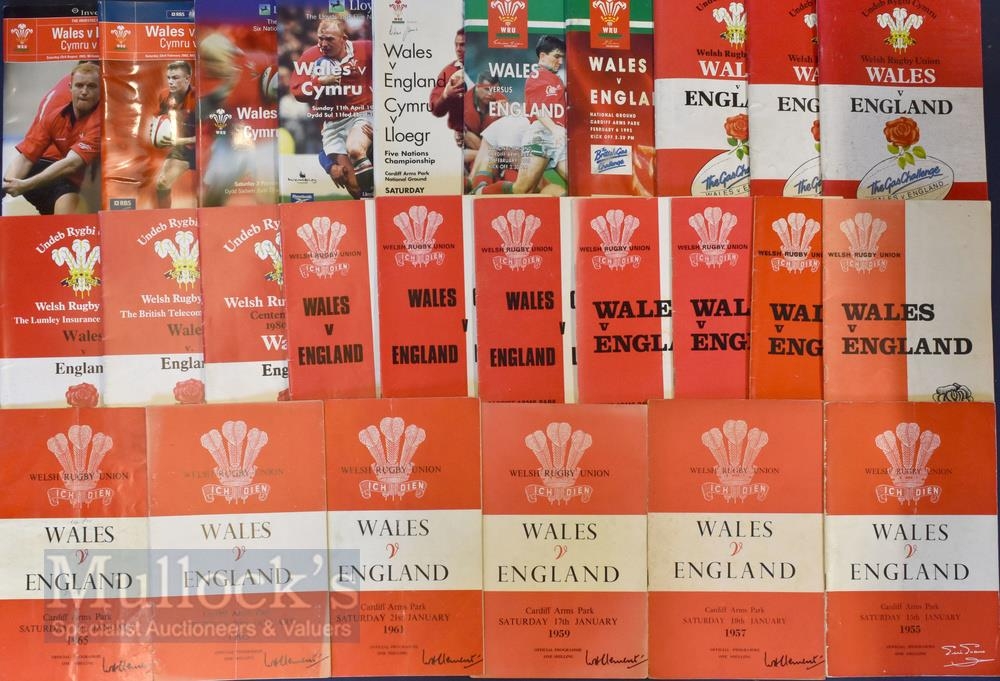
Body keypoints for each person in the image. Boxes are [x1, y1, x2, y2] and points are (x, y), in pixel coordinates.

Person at [290, 14, 374, 198]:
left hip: (362, 114)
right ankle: (367, 202)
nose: (323, 44)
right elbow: (297, 91)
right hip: (333, 124)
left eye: (329, 39)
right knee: (353, 186)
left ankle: (380, 205)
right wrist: (320, 82)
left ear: (344, 39)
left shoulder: (365, 49)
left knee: (356, 149)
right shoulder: (310, 56)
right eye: (320, 38)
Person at [2, 62, 101, 215]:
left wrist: (25, 185)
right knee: (66, 202)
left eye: (91, 86)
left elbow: (72, 163)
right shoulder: (55, 116)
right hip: (61, 172)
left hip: (86, 176)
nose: (84, 91)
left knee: (70, 203)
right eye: (79, 86)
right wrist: (6, 187)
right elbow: (26, 157)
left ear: (101, 90)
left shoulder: (101, 120)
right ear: (70, 87)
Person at [198, 32, 279, 205]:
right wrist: (225, 90)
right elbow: (201, 111)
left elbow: (281, 71)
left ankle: (268, 221)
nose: (208, 67)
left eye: (213, 61)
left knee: (268, 194)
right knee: (213, 199)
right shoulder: (206, 82)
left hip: (264, 141)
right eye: (206, 62)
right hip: (230, 143)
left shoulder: (258, 62)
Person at [511, 35, 567, 195]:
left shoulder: (556, 79)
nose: (560, 61)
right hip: (541, 134)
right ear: (542, 56)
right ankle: (485, 191)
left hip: (559, 137)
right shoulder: (537, 75)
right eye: (556, 56)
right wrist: (554, 129)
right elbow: (538, 109)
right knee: (523, 190)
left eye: (562, 57)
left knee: (579, 184)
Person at [154, 61, 197, 208]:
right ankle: (165, 217)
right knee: (162, 183)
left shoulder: (199, 98)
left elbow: (209, 134)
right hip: (183, 149)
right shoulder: (164, 95)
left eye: (175, 78)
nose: (171, 82)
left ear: (187, 78)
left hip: (204, 148)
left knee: (207, 192)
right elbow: (158, 119)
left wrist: (179, 140)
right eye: (169, 78)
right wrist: (155, 134)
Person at [429, 28, 467, 148]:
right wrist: (446, 95)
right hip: (463, 137)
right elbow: (435, 109)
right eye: (456, 45)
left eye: (463, 45)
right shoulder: (448, 71)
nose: (458, 49)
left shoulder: (486, 69)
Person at [463, 72, 506, 167]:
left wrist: (508, 116)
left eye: (494, 90)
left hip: (492, 150)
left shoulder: (502, 102)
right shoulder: (463, 101)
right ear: (477, 87)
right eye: (486, 89)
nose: (490, 94)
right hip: (472, 148)